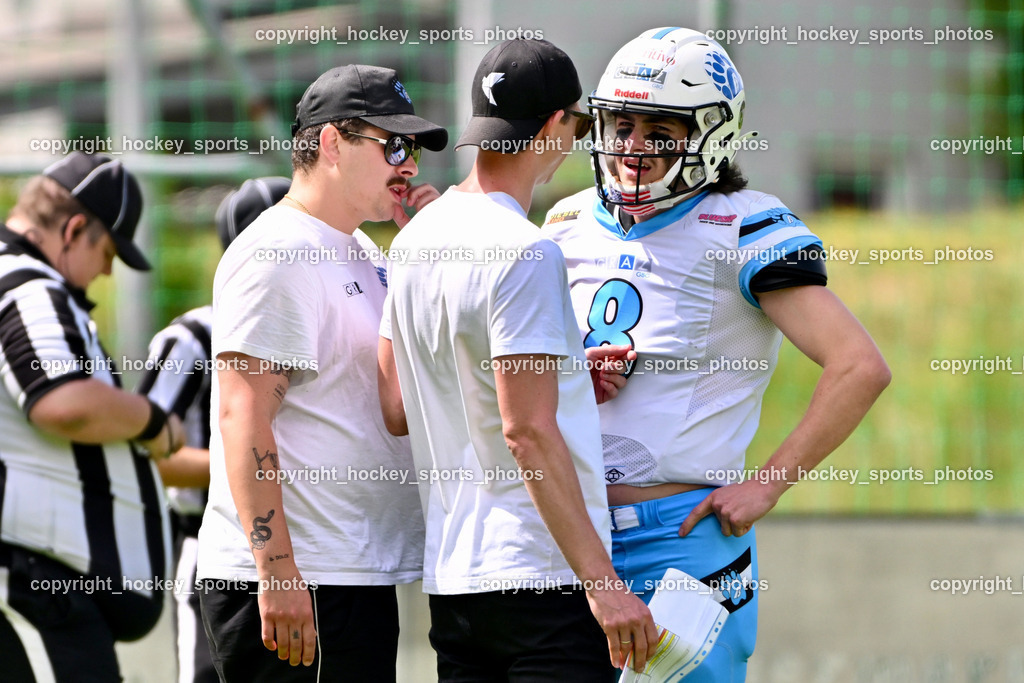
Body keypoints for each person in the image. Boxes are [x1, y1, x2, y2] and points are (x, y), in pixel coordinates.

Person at [542, 27, 892, 681]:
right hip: (573, 530)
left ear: (711, 135)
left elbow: (859, 365)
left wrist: (767, 483)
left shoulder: (744, 224)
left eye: (659, 131)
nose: (634, 148)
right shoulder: (564, 220)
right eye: (621, 124)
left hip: (681, 535)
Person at [377, 39, 657, 682]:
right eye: (582, 123)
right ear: (557, 126)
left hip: (455, 582)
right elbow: (525, 430)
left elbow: (397, 406)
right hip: (543, 578)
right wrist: (603, 585)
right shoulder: (528, 252)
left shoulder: (415, 240)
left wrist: (562, 373)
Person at [195, 65, 447, 682]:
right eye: (393, 144)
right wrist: (277, 571)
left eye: (411, 148)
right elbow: (242, 416)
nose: (408, 163)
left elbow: (396, 395)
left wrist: (433, 253)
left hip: (347, 576)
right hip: (297, 580)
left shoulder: (364, 250)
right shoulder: (278, 251)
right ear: (332, 143)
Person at [0, 152, 183, 682]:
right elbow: (62, 401)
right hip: (36, 582)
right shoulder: (32, 287)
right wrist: (155, 422)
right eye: (107, 251)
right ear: (75, 228)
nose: (106, 270)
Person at [137, 176, 290, 683]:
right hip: (215, 541)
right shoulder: (193, 337)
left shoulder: (325, 318)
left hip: (310, 542)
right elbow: (154, 457)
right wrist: (256, 470)